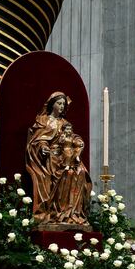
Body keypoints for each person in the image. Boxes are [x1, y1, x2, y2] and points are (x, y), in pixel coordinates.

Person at [26, 92, 92, 226]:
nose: (62, 106)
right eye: (59, 103)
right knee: (64, 172)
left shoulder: (65, 123)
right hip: (49, 158)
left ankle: (71, 212)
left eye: (63, 104)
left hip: (65, 155)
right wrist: (43, 147)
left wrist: (78, 142)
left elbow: (72, 138)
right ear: (52, 104)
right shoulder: (43, 121)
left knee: (80, 172)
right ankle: (56, 211)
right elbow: (37, 140)